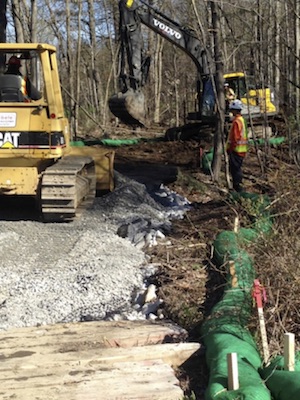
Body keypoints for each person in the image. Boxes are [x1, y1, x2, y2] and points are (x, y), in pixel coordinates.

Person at [226, 99, 248, 192]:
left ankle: (238, 188)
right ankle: (238, 186)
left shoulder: (236, 122)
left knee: (235, 170)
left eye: (232, 110)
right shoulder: (242, 120)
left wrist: (230, 149)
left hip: (236, 150)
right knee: (237, 169)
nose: (231, 112)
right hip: (241, 150)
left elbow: (235, 138)